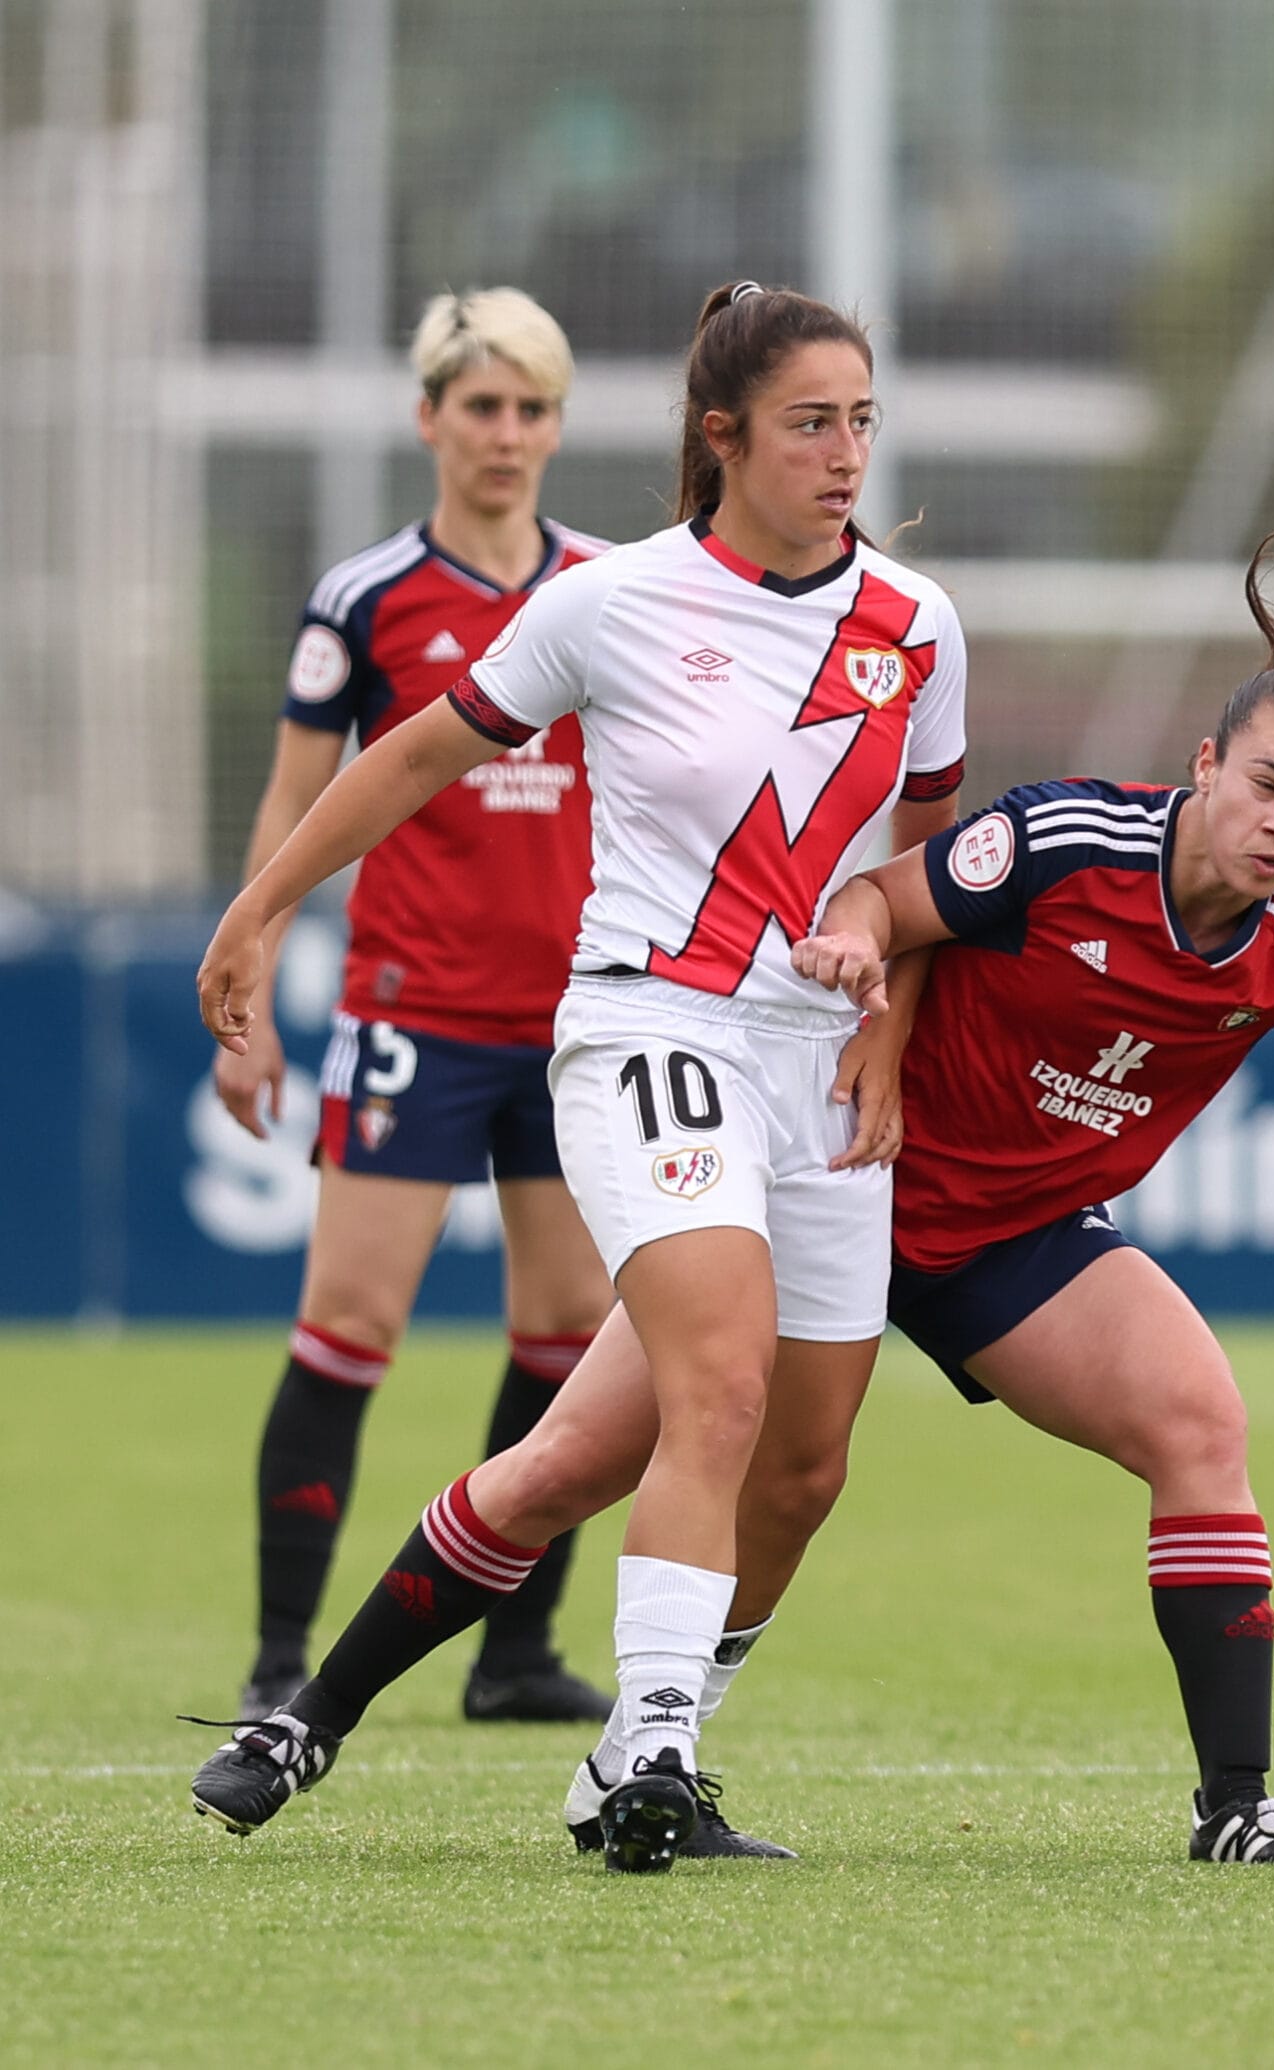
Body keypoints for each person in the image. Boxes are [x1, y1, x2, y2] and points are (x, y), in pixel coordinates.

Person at [186, 475, 1274, 1871]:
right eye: (1265, 785)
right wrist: (855, 971)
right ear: (1205, 764)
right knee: (570, 1469)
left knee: (1192, 1420)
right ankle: (307, 1722)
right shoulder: (1065, 842)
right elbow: (889, 898)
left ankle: (1226, 1804)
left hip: (1007, 1242)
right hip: (838, 1174)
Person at [187, 281, 967, 1874]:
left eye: (863, 422)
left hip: (818, 1072)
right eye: (812, 422)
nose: (844, 454)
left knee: (769, 1461)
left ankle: (310, 1714)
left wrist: (888, 1012)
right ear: (721, 434)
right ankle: (660, 1754)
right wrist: (258, 911)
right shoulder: (614, 602)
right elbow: (406, 755)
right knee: (724, 1384)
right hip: (647, 1029)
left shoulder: (918, 625)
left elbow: (929, 860)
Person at [221, 287, 617, 1724]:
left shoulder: (606, 588)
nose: (505, 435)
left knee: (572, 1334)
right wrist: (253, 974)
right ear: (429, 420)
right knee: (348, 1320)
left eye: (530, 409)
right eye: (480, 407)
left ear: (559, 426)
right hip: (414, 1008)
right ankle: (280, 1661)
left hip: (579, 1020)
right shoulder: (367, 596)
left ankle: (514, 1654)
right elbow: (296, 795)